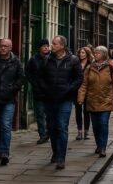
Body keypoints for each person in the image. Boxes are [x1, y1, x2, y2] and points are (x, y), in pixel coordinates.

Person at [39, 35, 83, 170]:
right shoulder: (47, 59)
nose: (51, 46)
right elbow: (40, 77)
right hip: (50, 99)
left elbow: (79, 78)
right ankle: (55, 152)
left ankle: (61, 158)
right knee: (52, 128)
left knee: (62, 127)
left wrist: (69, 89)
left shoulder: (73, 60)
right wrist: (45, 90)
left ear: (62, 46)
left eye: (54, 44)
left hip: (65, 99)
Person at [78, 45, 113, 158]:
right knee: (96, 125)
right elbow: (84, 84)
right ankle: (98, 144)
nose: (95, 55)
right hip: (92, 100)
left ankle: (103, 147)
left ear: (103, 55)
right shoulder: (90, 68)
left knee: (103, 124)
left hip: (106, 100)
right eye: (95, 53)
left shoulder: (110, 68)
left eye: (97, 53)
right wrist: (80, 97)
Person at [25, 39, 50, 144]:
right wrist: (34, 82)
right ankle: (42, 135)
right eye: (44, 46)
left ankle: (49, 132)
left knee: (50, 114)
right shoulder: (34, 59)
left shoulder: (52, 58)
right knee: (39, 114)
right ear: (39, 47)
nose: (46, 48)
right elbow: (28, 72)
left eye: (47, 46)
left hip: (50, 91)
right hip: (38, 91)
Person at [74, 47, 94, 141]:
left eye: (83, 52)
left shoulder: (91, 65)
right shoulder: (76, 63)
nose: (81, 54)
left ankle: (86, 132)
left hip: (87, 90)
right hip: (77, 90)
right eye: (80, 52)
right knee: (78, 111)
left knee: (86, 112)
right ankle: (79, 132)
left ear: (87, 54)